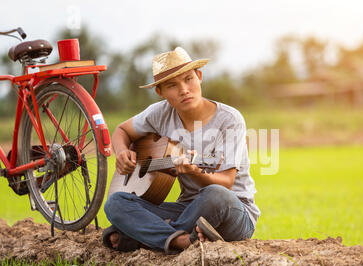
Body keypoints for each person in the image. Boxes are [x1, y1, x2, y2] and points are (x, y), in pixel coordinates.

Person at [102, 47, 260, 254]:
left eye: (188, 79)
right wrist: (122, 151)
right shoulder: (159, 114)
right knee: (116, 202)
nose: (184, 89)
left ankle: (143, 236)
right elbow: (121, 130)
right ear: (160, 92)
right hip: (187, 210)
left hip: (233, 211)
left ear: (199, 76)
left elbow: (227, 182)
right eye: (172, 85)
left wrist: (195, 172)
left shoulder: (230, 120)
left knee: (215, 195)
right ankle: (180, 240)